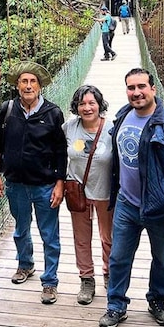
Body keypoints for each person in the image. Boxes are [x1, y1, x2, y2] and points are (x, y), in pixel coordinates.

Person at [99, 68, 164, 327]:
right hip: (126, 204)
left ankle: (157, 301)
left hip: (160, 206)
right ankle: (116, 305)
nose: (136, 92)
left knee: (163, 258)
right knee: (118, 257)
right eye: (131, 88)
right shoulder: (122, 116)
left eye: (142, 86)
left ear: (153, 89)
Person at [0, 61, 68, 305]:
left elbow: (61, 151)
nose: (28, 85)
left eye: (33, 81)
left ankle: (50, 282)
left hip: (45, 185)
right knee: (20, 229)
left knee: (49, 235)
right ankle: (25, 265)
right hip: (16, 184)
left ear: (40, 85)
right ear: (17, 85)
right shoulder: (7, 109)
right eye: (24, 81)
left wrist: (60, 184)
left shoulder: (53, 113)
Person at [62, 85, 113, 305]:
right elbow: (54, 154)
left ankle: (110, 275)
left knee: (108, 238)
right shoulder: (68, 128)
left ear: (100, 105)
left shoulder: (112, 129)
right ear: (76, 107)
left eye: (91, 103)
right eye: (82, 103)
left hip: (105, 190)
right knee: (81, 238)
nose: (87, 107)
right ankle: (86, 279)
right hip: (77, 190)